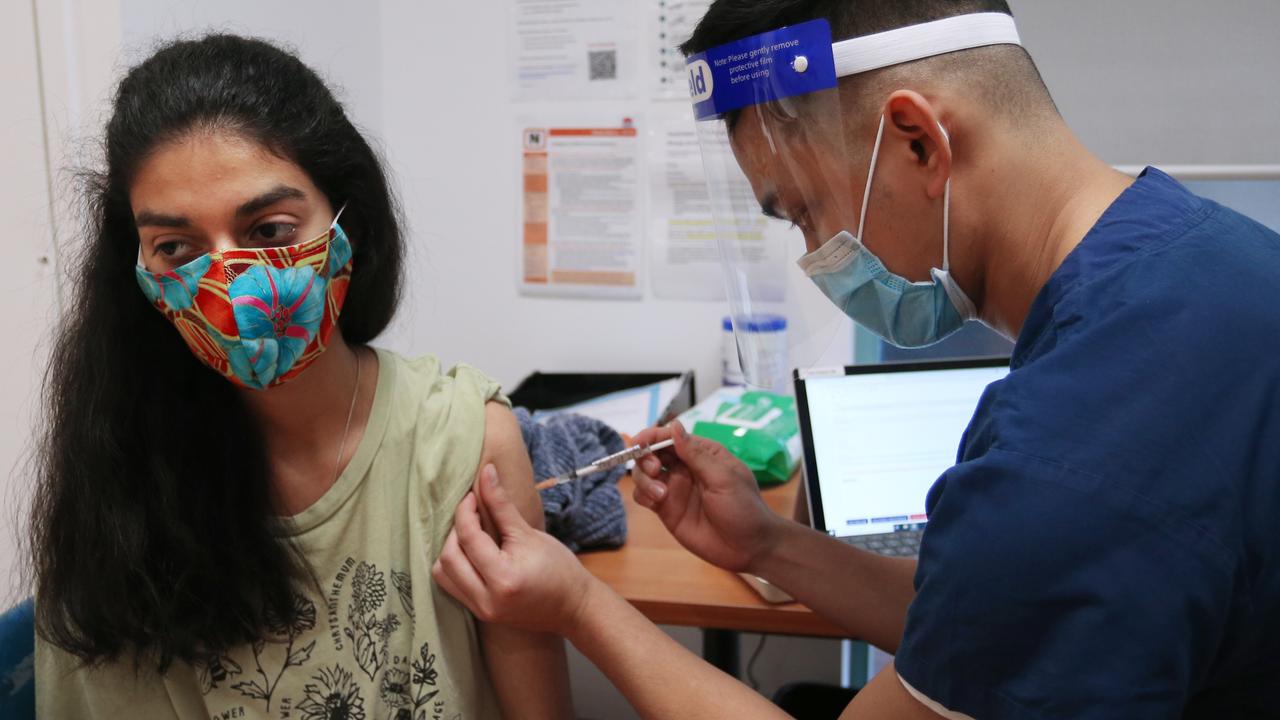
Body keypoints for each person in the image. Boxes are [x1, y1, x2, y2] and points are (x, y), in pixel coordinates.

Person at [432, 1, 1280, 718]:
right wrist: (767, 543)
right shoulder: (1213, 261)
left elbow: (1028, 565)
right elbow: (980, 621)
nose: (818, 254)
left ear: (916, 141)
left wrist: (580, 604)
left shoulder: (1065, 458)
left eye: (805, 212)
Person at [29, 35, 572, 719]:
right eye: (176, 247)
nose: (231, 281)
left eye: (269, 229)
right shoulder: (115, 487)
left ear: (349, 220)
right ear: (137, 269)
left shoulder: (461, 443)